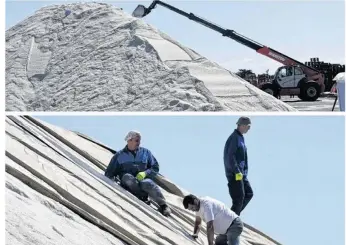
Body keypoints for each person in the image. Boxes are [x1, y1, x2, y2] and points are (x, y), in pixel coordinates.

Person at [104, 130, 171, 216]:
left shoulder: (146, 153)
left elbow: (155, 167)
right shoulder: (119, 155)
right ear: (129, 140)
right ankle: (141, 197)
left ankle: (163, 206)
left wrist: (145, 173)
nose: (139, 143)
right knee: (128, 178)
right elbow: (109, 172)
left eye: (139, 140)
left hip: (143, 182)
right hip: (128, 184)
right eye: (136, 140)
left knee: (148, 183)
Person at [223, 116, 253, 215]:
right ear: (242, 125)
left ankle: (234, 216)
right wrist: (237, 172)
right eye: (248, 126)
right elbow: (230, 156)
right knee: (239, 199)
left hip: (242, 174)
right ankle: (230, 220)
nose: (249, 128)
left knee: (248, 193)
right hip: (235, 174)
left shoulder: (240, 138)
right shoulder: (234, 138)